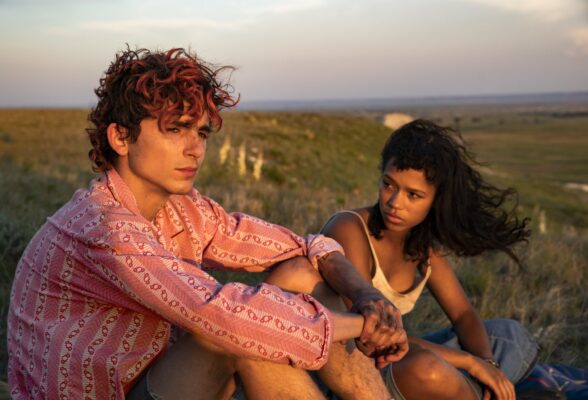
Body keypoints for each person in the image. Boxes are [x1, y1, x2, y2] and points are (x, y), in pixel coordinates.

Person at [6, 47, 408, 400]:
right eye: (175, 129)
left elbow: (305, 247)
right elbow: (221, 314)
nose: (195, 149)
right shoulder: (103, 228)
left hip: (161, 378)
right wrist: (362, 326)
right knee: (239, 335)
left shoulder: (183, 209)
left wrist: (369, 300)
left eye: (201, 132)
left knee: (299, 274)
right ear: (121, 138)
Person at [321, 119, 539, 400]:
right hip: (350, 372)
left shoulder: (422, 245)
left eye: (413, 195)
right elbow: (369, 337)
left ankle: (476, 389)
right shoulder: (349, 228)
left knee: (507, 335)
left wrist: (488, 365)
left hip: (394, 358)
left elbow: (463, 314)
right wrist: (471, 364)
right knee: (428, 369)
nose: (395, 202)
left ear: (436, 199)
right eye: (388, 185)